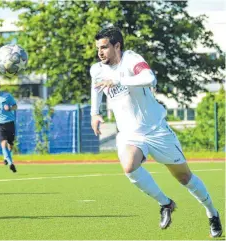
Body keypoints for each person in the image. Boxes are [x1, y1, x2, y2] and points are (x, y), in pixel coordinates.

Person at [90, 27, 222, 238]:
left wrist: (119, 80)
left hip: (157, 130)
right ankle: (166, 203)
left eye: (104, 47)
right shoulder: (97, 69)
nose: (100, 52)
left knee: (185, 177)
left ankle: (212, 213)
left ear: (117, 46)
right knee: (129, 166)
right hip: (130, 134)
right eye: (98, 48)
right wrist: (94, 114)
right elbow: (96, 89)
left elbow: (149, 77)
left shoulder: (132, 59)